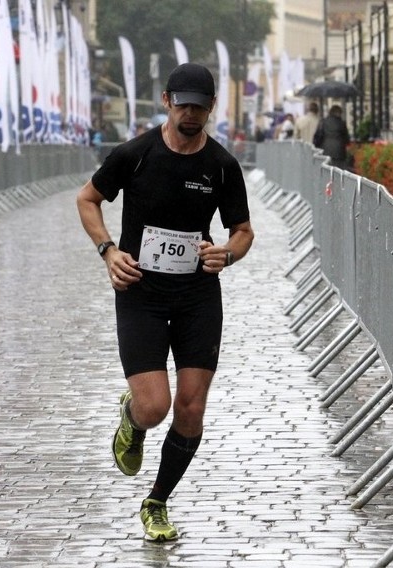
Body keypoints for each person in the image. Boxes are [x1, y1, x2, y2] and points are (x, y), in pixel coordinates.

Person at [76, 62, 255, 542]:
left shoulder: (221, 165)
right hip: (141, 295)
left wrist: (227, 255)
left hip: (198, 296)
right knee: (155, 407)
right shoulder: (134, 155)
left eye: (200, 106)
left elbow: (242, 232)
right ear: (167, 102)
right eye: (184, 104)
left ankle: (157, 502)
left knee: (191, 409)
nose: (191, 114)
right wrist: (108, 251)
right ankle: (132, 416)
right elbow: (87, 199)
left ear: (211, 107)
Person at [313, 104, 350, 170]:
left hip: (326, 149)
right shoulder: (342, 123)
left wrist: (317, 146)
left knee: (327, 169)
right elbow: (346, 139)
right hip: (339, 151)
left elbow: (318, 136)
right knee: (339, 170)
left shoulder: (323, 122)